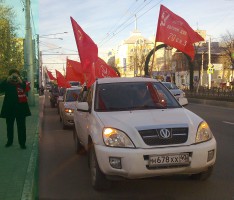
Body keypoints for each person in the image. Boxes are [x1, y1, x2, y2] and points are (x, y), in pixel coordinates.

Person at [0, 69, 31, 149]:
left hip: (20, 109)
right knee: (9, 126)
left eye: (16, 75)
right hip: (9, 109)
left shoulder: (21, 83)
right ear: (9, 76)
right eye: (12, 75)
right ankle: (9, 141)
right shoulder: (7, 83)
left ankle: (22, 143)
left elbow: (27, 89)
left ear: (19, 76)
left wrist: (20, 80)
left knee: (21, 127)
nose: (14, 77)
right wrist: (7, 79)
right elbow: (1, 89)